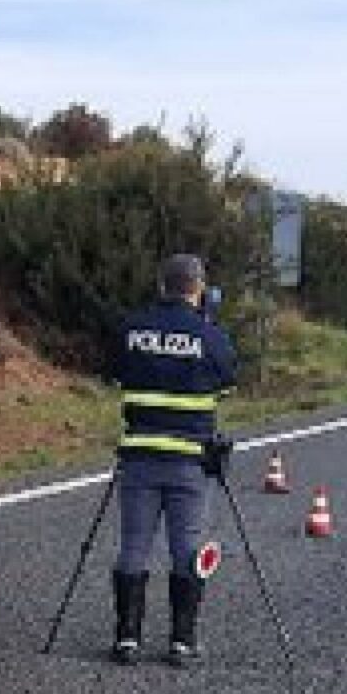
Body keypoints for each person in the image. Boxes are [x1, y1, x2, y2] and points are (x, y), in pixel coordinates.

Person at [110, 253, 238, 666]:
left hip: (139, 456)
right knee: (186, 547)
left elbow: (115, 376)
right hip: (189, 461)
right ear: (198, 287)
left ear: (160, 284)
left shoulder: (130, 329)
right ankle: (182, 640)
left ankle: (127, 638)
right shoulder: (210, 336)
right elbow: (225, 385)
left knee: (134, 546)